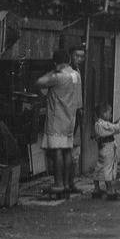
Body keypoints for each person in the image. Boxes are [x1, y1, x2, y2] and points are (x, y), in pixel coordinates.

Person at [36, 49, 83, 195]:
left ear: (56, 62)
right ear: (68, 60)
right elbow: (79, 102)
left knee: (57, 150)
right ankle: (68, 183)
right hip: (70, 119)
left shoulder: (57, 77)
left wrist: (53, 71)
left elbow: (39, 82)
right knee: (67, 150)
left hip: (57, 119)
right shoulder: (76, 75)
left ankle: (59, 183)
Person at [91, 102, 120, 200]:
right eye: (110, 113)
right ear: (104, 113)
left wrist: (116, 122)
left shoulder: (98, 124)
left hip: (102, 147)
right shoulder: (104, 124)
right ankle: (110, 190)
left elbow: (111, 126)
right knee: (108, 168)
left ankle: (96, 189)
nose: (111, 115)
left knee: (99, 167)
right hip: (108, 147)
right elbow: (115, 128)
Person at [69, 45, 86, 172]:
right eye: (76, 56)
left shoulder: (79, 71)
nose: (79, 59)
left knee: (75, 146)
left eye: (81, 57)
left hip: (77, 112)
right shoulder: (68, 72)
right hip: (68, 113)